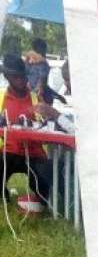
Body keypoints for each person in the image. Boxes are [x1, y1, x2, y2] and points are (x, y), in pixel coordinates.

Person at [0, 54, 52, 205]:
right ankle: (4, 197)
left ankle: (39, 201)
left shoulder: (36, 98)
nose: (22, 80)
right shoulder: (2, 98)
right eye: (16, 77)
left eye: (23, 76)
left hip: (34, 153)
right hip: (9, 152)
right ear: (7, 76)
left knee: (42, 189)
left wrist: (44, 117)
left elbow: (47, 125)